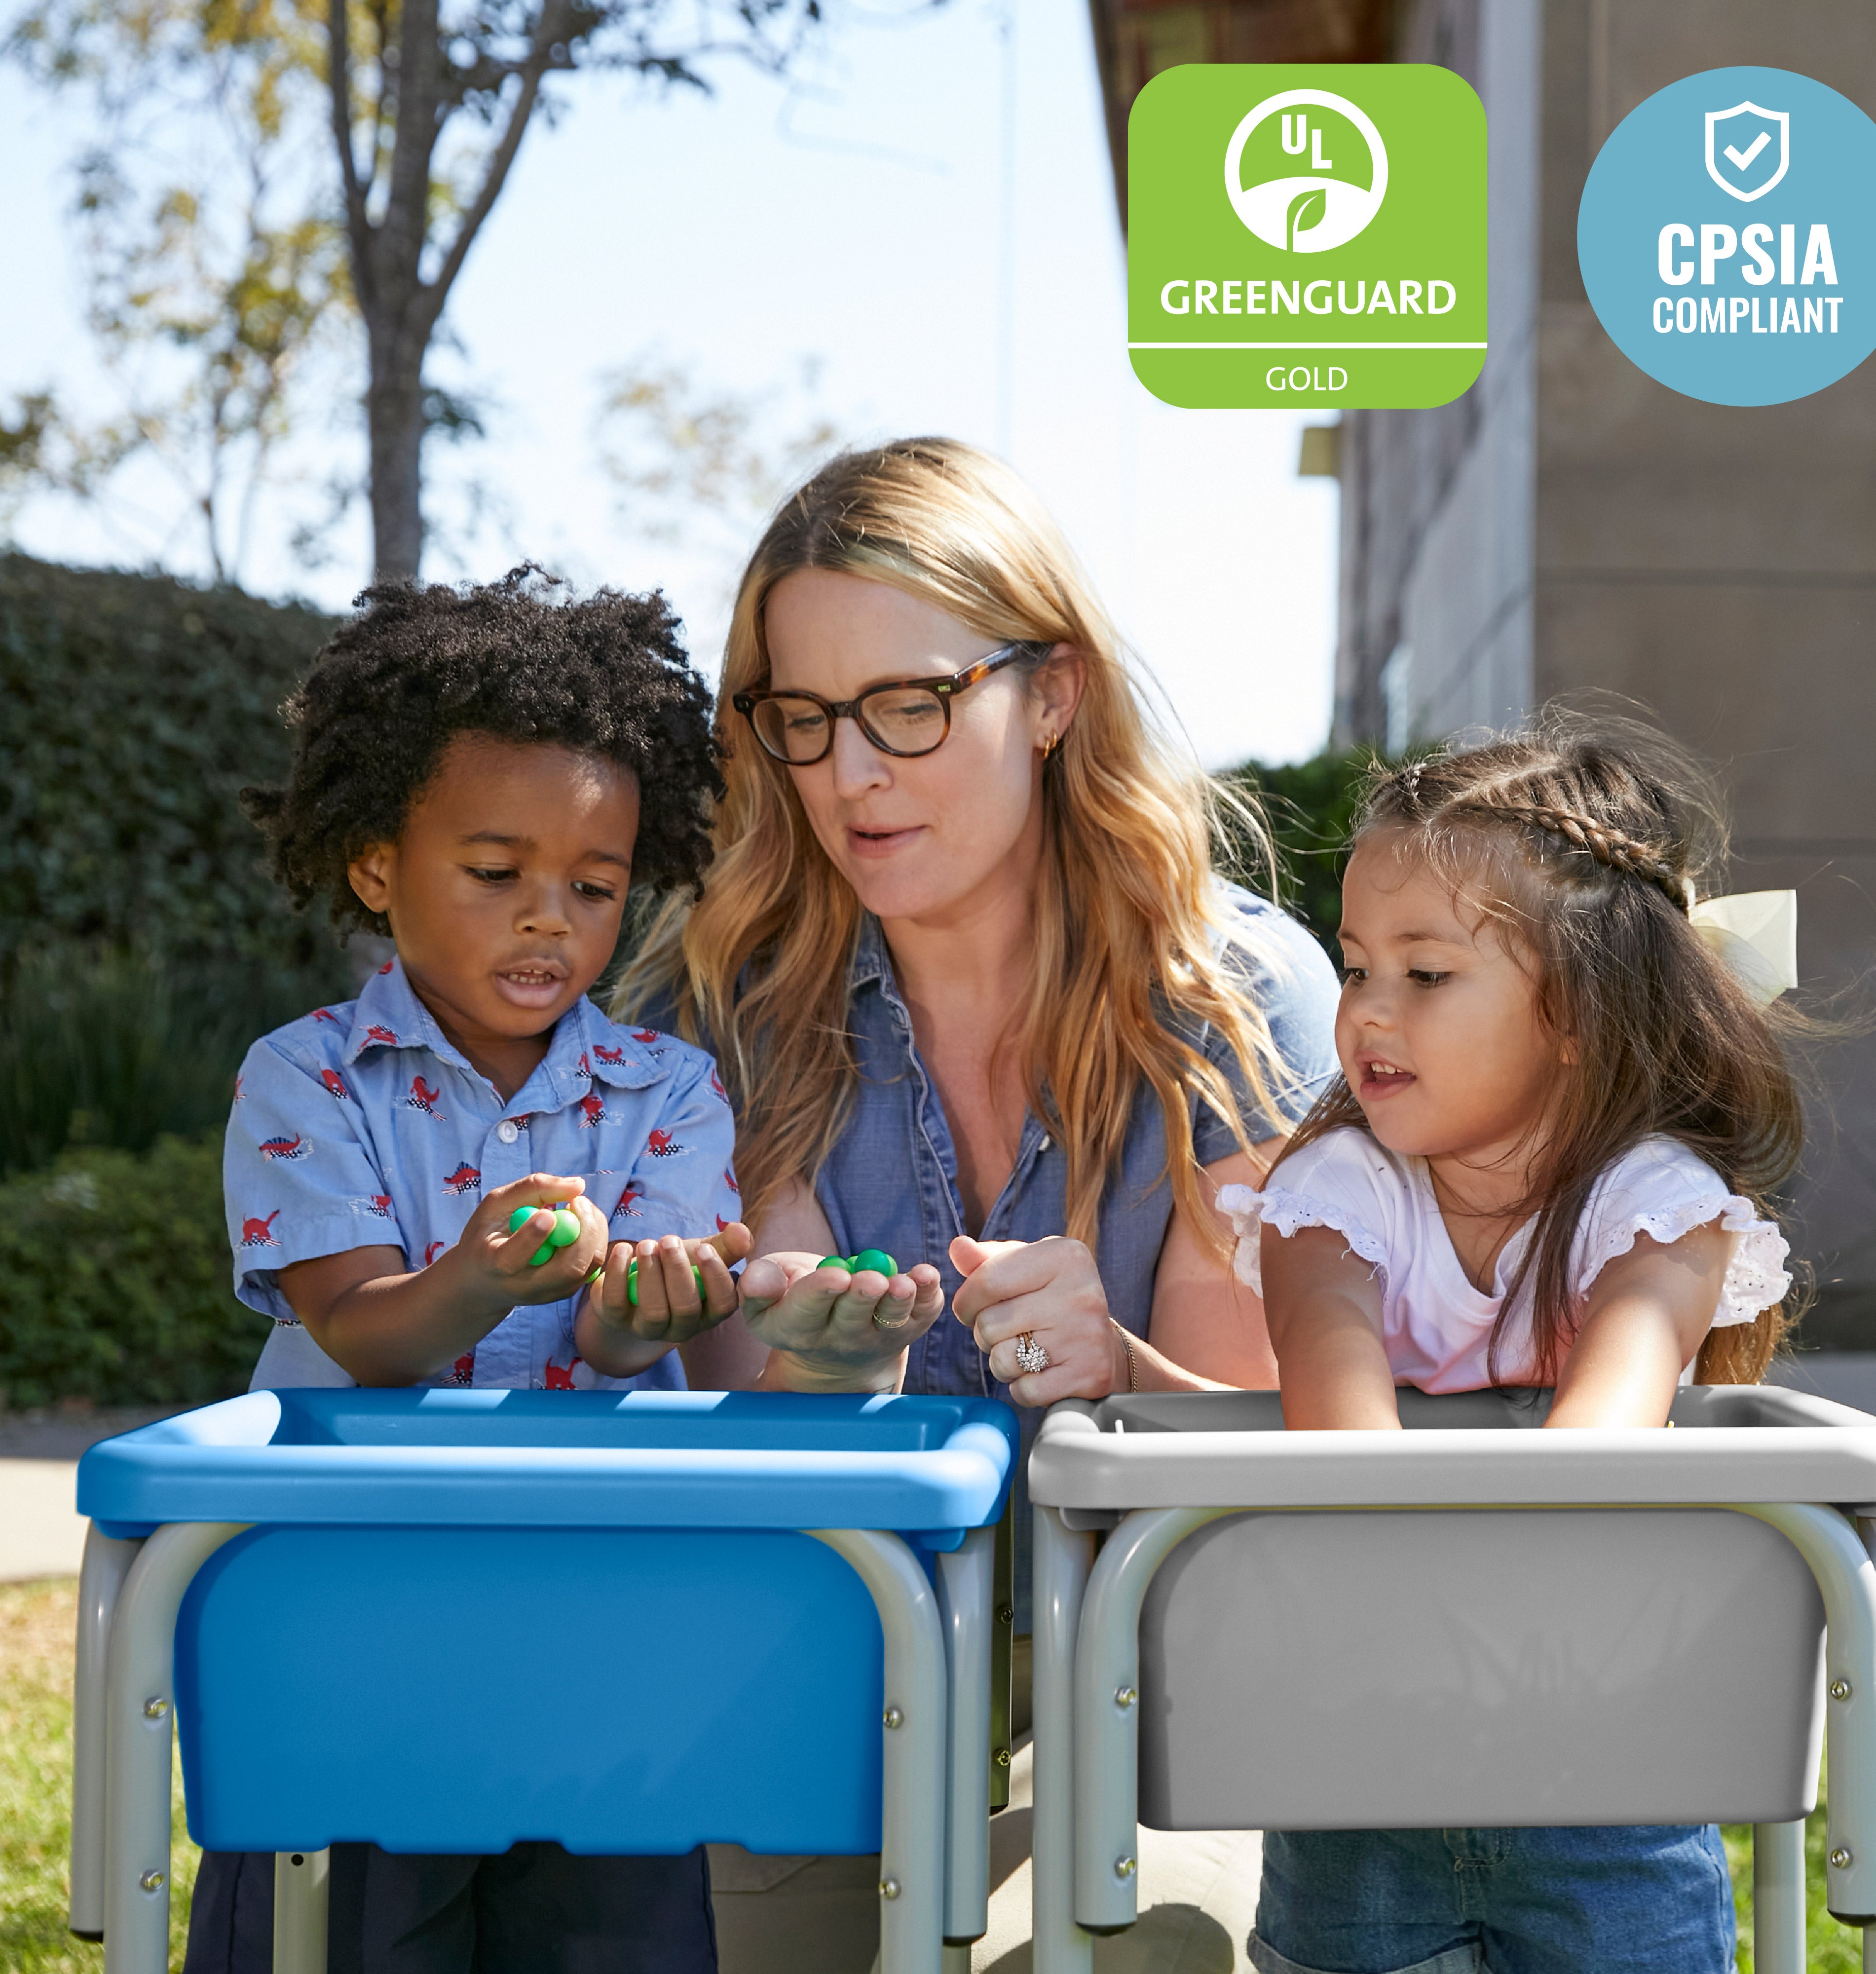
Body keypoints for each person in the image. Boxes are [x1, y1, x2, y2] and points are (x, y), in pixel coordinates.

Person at [614, 436, 1342, 1966]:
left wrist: (1120, 1372)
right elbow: (775, 1483)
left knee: (1148, 1952)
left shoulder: (1231, 989)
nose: (851, 775)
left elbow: (1261, 1448)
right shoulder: (735, 1007)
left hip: (1153, 1641)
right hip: (829, 1651)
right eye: (803, 721)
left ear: (1054, 693)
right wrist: (820, 1370)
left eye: (911, 705)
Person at [192, 568, 766, 1974]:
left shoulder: (670, 1091)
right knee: (350, 1939)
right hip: (356, 1630)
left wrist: (651, 1306)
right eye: (496, 873)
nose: (550, 920)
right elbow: (366, 1332)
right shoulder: (308, 1080)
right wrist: (483, 1273)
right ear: (378, 865)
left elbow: (633, 1350)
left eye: (595, 885)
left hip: (602, 1631)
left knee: (610, 1941)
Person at [1223, 711, 1801, 1974]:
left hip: (1610, 1778)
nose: (1366, 1009)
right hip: (1352, 1789)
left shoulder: (1655, 1203)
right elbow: (1340, 1429)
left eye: (1423, 974)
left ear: (1579, 1014)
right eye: (1355, 965)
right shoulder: (1329, 1192)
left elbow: (1599, 1435)